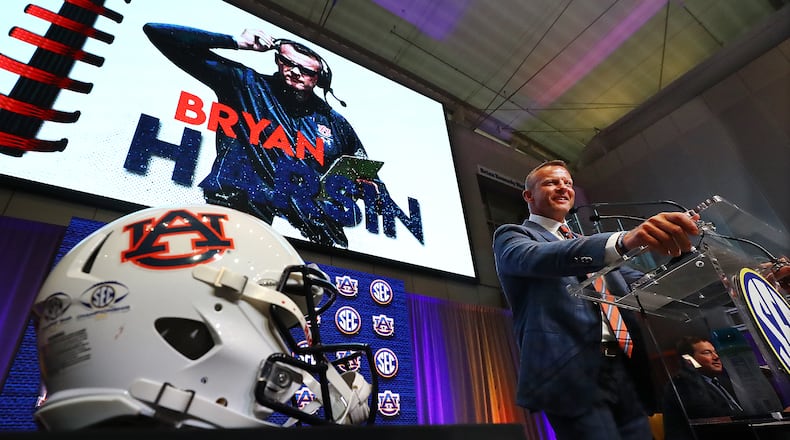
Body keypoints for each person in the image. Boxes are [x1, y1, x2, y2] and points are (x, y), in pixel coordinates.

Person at [492, 160, 700, 440]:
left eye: (567, 183)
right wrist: (624, 240)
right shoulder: (514, 236)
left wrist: (697, 261)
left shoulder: (592, 246)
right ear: (529, 196)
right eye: (552, 182)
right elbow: (538, 258)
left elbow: (645, 285)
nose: (563, 188)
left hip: (623, 369)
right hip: (570, 372)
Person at [143, 23, 370, 247]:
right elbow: (156, 32)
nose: (295, 72)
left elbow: (362, 166)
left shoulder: (333, 121)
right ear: (277, 60)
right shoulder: (245, 84)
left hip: (305, 229)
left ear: (319, 79)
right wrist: (235, 42)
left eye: (307, 71)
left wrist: (362, 184)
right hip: (235, 213)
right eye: (287, 62)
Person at [661, 336, 745, 440]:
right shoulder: (683, 383)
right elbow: (709, 416)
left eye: (715, 352)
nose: (716, 357)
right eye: (707, 352)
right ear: (689, 360)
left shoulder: (723, 382)